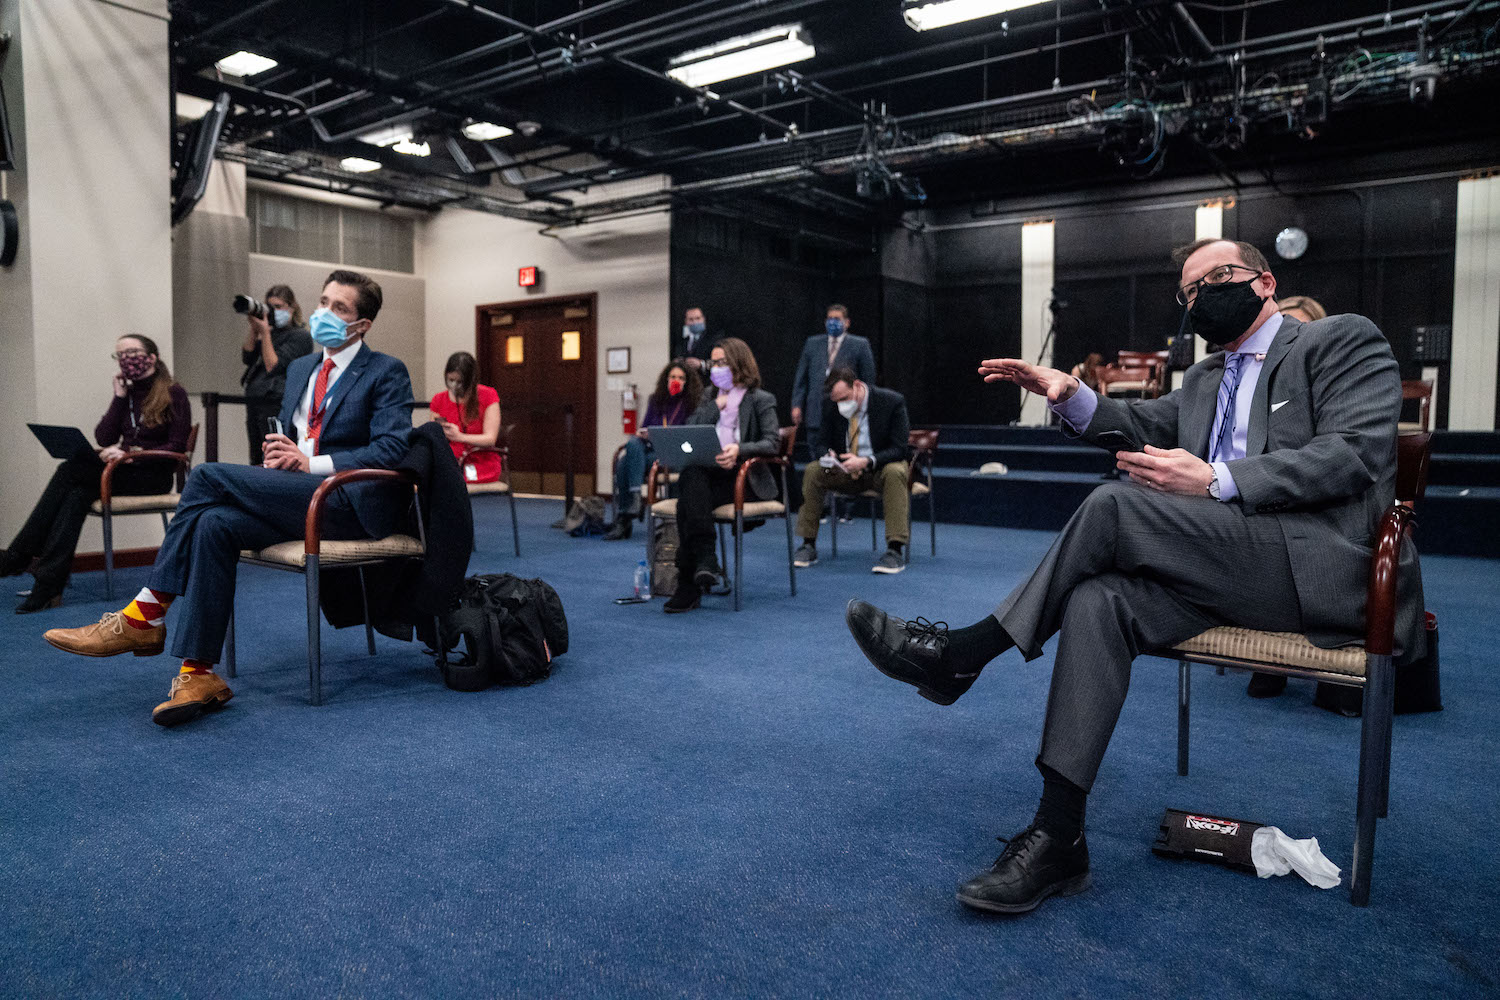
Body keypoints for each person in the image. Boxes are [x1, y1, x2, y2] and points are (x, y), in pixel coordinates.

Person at [843, 238, 1423, 915]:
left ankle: (964, 653)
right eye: (1188, 291)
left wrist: (1216, 478)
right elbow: (1140, 422)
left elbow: (1353, 454)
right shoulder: (1207, 378)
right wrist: (1071, 397)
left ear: (1264, 283)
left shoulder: (1338, 341)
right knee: (1098, 601)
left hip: (1319, 568)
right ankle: (1059, 837)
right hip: (1226, 567)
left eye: (1216, 279)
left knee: (1115, 505)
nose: (1199, 296)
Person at [43, 269, 416, 728]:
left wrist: (310, 463)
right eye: (323, 302)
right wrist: (281, 455)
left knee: (204, 477)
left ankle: (143, 614)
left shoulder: (385, 371)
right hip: (298, 496)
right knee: (213, 524)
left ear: (363, 325)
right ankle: (197, 673)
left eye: (340, 308)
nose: (324, 314)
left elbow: (392, 448)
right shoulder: (300, 369)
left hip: (345, 503)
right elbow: (290, 434)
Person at [1, 335, 191, 613]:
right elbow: (104, 435)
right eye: (120, 355)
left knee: (69, 469)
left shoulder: (174, 392)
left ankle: (20, 555)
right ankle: (48, 583)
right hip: (122, 472)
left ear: (151, 357)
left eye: (133, 352)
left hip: (153, 475)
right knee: (77, 494)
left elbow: (177, 446)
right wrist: (118, 398)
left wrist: (129, 452)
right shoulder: (127, 395)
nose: (127, 359)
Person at [663, 338, 780, 613]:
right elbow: (691, 429)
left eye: (721, 362)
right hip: (708, 475)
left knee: (687, 503)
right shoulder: (708, 396)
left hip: (743, 478)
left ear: (738, 364)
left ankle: (689, 582)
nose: (714, 368)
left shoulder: (761, 399)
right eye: (713, 363)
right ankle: (705, 560)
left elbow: (772, 442)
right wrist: (717, 406)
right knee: (692, 478)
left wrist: (739, 450)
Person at [793, 368, 912, 574]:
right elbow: (820, 442)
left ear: (856, 385)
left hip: (878, 468)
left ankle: (895, 550)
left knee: (896, 471)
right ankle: (808, 544)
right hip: (845, 469)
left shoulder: (891, 402)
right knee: (813, 470)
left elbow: (900, 448)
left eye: (845, 398)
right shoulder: (831, 405)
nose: (841, 404)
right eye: (837, 400)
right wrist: (828, 454)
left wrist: (866, 460)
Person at [604, 359, 704, 541]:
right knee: (632, 445)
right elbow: (644, 427)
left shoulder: (692, 403)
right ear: (666, 379)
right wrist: (645, 434)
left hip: (672, 454)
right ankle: (634, 500)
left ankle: (625, 516)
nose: (676, 381)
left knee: (624, 463)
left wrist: (663, 435)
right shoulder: (656, 400)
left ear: (687, 382)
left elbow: (688, 435)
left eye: (681, 378)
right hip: (650, 452)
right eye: (673, 376)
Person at [242, 284, 313, 465]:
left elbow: (273, 365)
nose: (273, 311)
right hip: (255, 401)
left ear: (292, 307)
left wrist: (264, 333)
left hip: (275, 402)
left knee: (272, 454)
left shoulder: (300, 336)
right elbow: (247, 356)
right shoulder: (271, 334)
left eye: (278, 307)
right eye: (270, 307)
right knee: (256, 454)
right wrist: (255, 328)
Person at [790, 304, 876, 436]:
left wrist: (862, 406)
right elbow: (801, 378)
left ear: (847, 322)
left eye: (837, 318)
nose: (832, 322)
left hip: (845, 411)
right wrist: (796, 404)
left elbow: (868, 379)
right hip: (815, 412)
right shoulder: (812, 343)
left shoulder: (860, 344)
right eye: (830, 318)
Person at [430, 351, 501, 483]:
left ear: (471, 380)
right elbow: (433, 438)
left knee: (452, 479)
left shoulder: (488, 395)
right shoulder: (438, 399)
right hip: (449, 460)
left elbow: (490, 438)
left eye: (459, 382)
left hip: (481, 464)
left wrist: (460, 437)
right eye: (451, 380)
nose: (454, 386)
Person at [674, 307, 718, 371]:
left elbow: (720, 362)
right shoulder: (682, 342)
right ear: (686, 322)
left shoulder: (714, 338)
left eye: (698, 318)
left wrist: (701, 364)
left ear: (703, 319)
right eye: (691, 319)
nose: (695, 322)